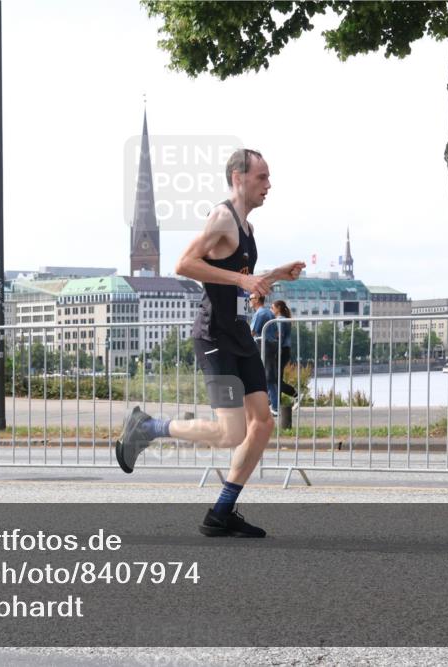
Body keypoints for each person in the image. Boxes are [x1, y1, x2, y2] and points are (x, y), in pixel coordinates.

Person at [114, 148, 305, 538]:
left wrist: (273, 275)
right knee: (231, 432)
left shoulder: (247, 229)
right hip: (213, 336)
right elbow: (183, 265)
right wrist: (242, 281)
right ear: (238, 177)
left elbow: (235, 277)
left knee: (263, 424)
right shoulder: (222, 217)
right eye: (262, 177)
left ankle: (222, 511)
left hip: (237, 333)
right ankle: (148, 427)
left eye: (268, 178)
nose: (268, 185)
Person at [249, 293, 279, 417]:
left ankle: (273, 407)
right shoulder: (270, 312)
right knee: (269, 376)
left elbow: (252, 332)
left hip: (263, 344)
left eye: (250, 299)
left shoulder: (259, 313)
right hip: (272, 345)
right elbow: (277, 333)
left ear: (256, 300)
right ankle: (271, 405)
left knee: (265, 376)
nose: (249, 301)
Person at [270, 299, 299, 413]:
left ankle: (295, 394)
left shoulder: (280, 319)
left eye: (272, 308)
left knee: (275, 380)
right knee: (277, 379)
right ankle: (276, 404)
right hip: (284, 350)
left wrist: (275, 349)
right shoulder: (284, 319)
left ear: (278, 308)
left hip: (281, 350)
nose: (271, 310)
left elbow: (280, 336)